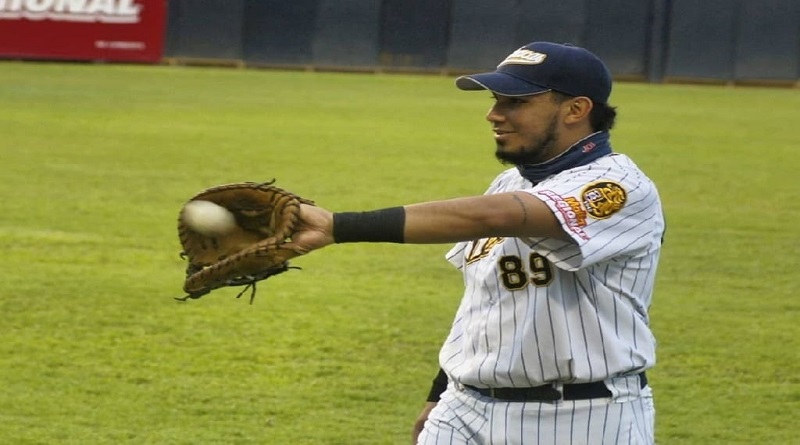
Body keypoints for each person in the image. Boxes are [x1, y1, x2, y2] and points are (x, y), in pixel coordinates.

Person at [287, 41, 664, 445]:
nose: (494, 114)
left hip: (581, 416)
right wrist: (440, 393)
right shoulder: (511, 182)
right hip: (464, 409)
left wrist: (338, 226)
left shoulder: (617, 188)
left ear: (576, 109)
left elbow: (493, 217)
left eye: (516, 102)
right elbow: (483, 300)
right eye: (496, 100)